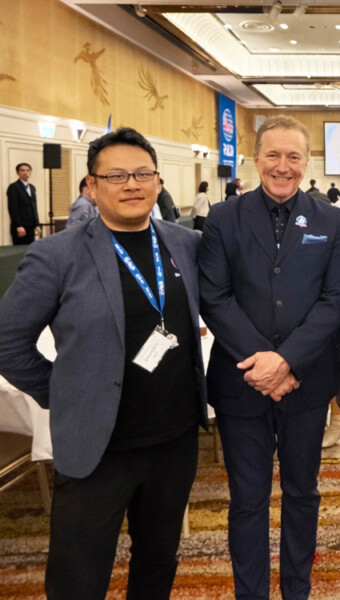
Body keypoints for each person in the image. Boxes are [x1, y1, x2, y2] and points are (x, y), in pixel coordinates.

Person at [0, 127, 207, 599]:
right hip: (98, 446)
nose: (131, 184)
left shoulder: (186, 243)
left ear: (158, 183)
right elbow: (7, 342)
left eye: (142, 174)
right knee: (79, 575)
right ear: (92, 186)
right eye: (116, 176)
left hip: (174, 440)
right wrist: (65, 393)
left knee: (158, 560)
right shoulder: (56, 254)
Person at [198, 114, 340, 600]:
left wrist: (286, 362)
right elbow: (214, 297)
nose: (282, 166)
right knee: (247, 499)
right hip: (240, 382)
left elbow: (335, 299)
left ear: (307, 163)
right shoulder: (223, 217)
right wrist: (265, 363)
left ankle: (296, 590)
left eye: (293, 157)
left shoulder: (330, 220)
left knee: (303, 493)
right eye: (273, 155)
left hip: (305, 382)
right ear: (256, 158)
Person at [7, 162, 39, 244]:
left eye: (28, 170)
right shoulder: (13, 187)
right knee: (20, 249)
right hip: (20, 227)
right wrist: (19, 225)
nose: (26, 173)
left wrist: (37, 224)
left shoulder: (32, 187)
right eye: (22, 170)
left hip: (31, 226)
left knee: (31, 247)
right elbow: (13, 208)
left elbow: (34, 206)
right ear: (18, 172)